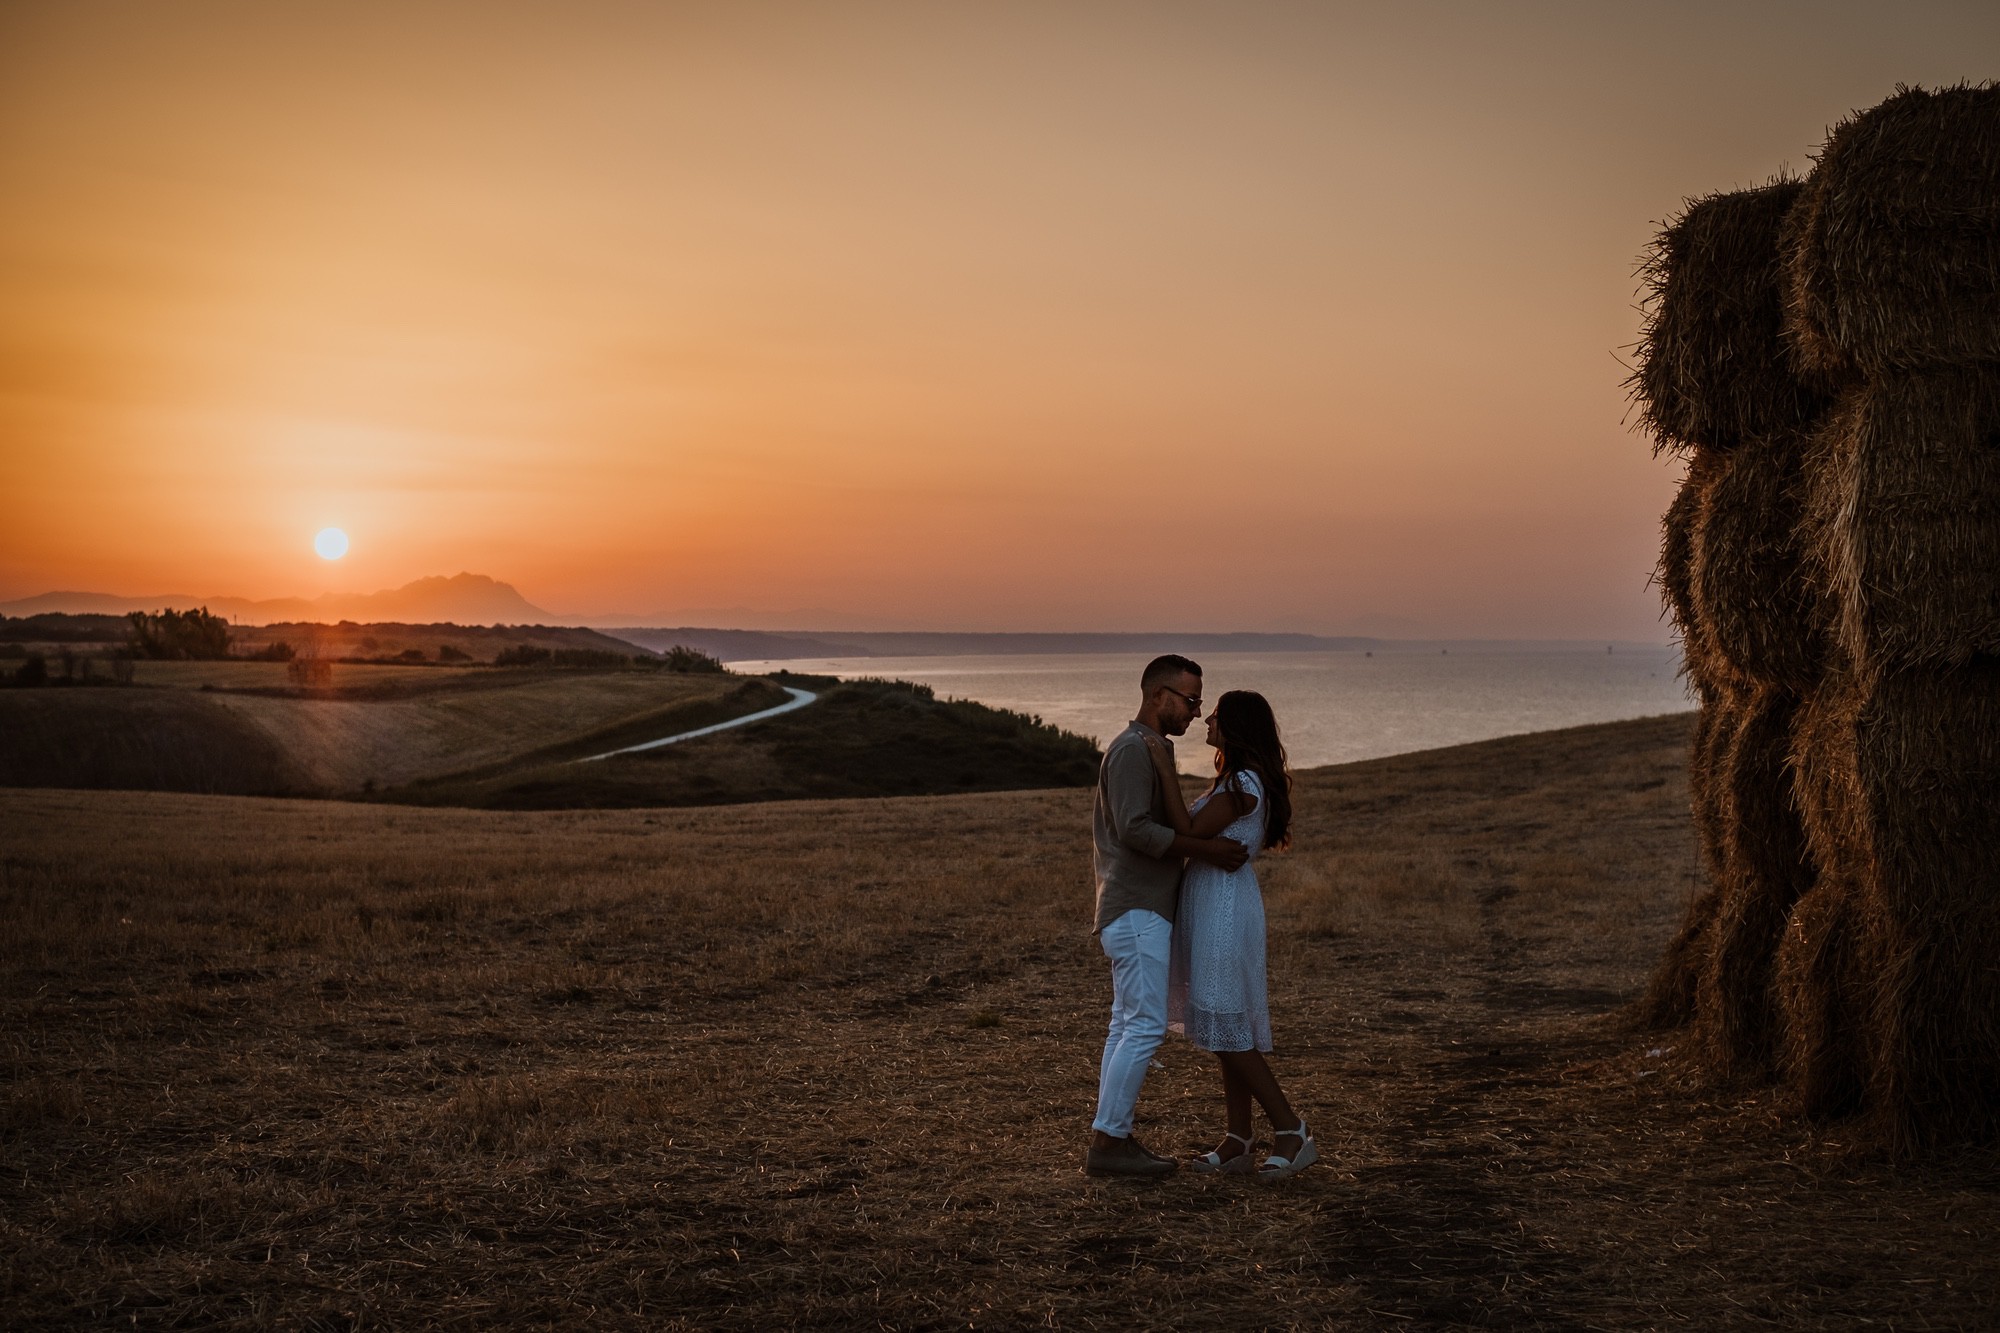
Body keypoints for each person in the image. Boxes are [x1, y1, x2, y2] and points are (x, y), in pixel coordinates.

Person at [1140, 689, 1317, 1179]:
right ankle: (1239, 1138)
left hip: (1223, 907)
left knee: (1227, 1024)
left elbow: (1186, 828)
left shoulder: (1243, 782)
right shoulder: (1236, 779)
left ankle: (1291, 1128)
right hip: (1213, 902)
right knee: (1224, 1022)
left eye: (1216, 714)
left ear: (1237, 726)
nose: (1207, 720)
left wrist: (1163, 766)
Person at [1085, 655, 1250, 1178]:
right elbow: (1134, 829)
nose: (1197, 712)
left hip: (1136, 907)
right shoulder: (1134, 750)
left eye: (1200, 702)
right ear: (1159, 696)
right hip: (1136, 907)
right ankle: (1109, 1142)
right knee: (1144, 1025)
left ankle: (1110, 1135)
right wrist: (1205, 850)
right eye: (1191, 700)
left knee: (1126, 1025)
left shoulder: (1149, 748)